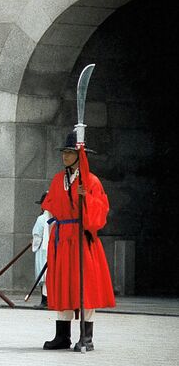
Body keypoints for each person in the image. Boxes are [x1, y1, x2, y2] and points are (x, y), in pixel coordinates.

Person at [41, 131, 115, 352]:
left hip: (82, 239)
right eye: (64, 151)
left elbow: (101, 213)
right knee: (63, 283)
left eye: (70, 152)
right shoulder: (57, 180)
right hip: (62, 238)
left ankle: (86, 337)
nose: (65, 156)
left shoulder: (91, 181)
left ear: (79, 155)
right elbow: (51, 208)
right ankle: (62, 335)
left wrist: (87, 198)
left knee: (85, 286)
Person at [32, 191, 51, 309]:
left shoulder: (42, 218)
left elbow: (37, 236)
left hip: (44, 250)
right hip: (54, 249)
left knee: (44, 276)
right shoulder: (56, 217)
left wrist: (34, 245)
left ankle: (45, 300)